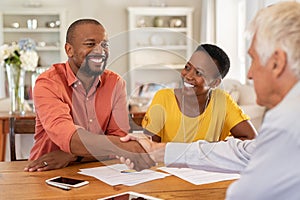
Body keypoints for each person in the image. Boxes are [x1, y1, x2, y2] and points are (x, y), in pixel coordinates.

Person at [120, 2, 300, 199]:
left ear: (277, 62)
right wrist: (157, 150)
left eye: (254, 59)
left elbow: (246, 190)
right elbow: (244, 151)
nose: (249, 74)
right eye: (188, 68)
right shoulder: (287, 117)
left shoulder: (286, 123)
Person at [24, 18, 155, 172]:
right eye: (90, 44)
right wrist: (126, 147)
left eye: (105, 45)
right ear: (69, 50)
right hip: (48, 171)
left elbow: (118, 137)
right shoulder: (48, 83)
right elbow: (69, 137)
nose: (100, 51)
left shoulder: (116, 83)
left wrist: (72, 156)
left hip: (98, 169)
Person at [142, 44, 257, 143]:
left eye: (198, 73)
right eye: (187, 67)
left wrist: (217, 149)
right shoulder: (164, 97)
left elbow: (251, 138)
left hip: (205, 169)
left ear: (215, 83)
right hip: (167, 168)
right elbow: (150, 146)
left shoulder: (222, 101)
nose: (188, 76)